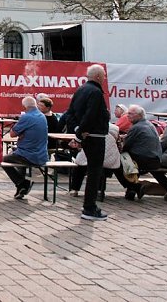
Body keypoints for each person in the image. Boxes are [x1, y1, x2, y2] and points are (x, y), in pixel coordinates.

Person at [66, 64, 111, 220]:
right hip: (95, 135)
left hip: (87, 134)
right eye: (103, 75)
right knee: (94, 172)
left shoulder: (80, 90)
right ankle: (89, 208)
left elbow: (70, 113)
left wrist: (77, 129)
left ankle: (89, 206)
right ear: (98, 76)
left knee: (92, 170)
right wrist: (80, 133)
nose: (104, 78)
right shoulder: (96, 92)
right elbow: (91, 115)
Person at [119, 104, 167, 199]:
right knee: (149, 168)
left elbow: (126, 146)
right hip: (156, 159)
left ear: (139, 115)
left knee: (120, 163)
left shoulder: (136, 127)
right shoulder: (149, 124)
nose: (127, 116)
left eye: (130, 114)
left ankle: (134, 187)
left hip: (144, 161)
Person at [2, 97, 48, 200]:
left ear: (24, 107)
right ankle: (21, 188)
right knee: (16, 154)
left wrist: (21, 130)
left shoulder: (26, 117)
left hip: (29, 155)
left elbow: (12, 134)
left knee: (4, 160)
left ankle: (22, 183)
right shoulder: (42, 116)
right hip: (42, 154)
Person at [70, 122, 120, 196]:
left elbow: (78, 140)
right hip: (111, 161)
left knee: (79, 166)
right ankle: (99, 190)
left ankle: (75, 189)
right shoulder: (115, 129)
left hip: (93, 158)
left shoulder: (89, 127)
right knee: (101, 166)